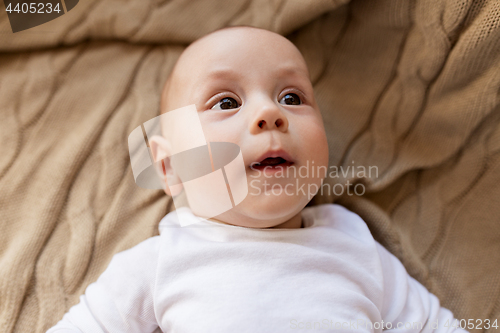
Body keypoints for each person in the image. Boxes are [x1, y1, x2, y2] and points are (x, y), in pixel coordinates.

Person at [47, 26, 468, 333]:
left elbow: (436, 326)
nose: (271, 114)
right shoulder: (161, 262)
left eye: (291, 97)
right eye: (226, 102)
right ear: (170, 166)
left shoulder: (355, 244)